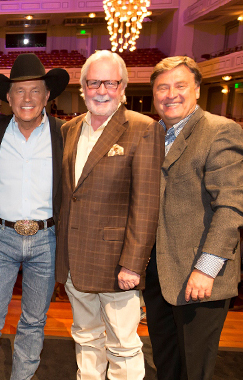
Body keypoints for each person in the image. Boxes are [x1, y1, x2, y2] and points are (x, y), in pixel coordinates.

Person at [55, 50, 163, 380]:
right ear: (83, 87)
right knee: (86, 340)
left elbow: (145, 204)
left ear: (123, 87)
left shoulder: (143, 128)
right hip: (77, 260)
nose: (101, 90)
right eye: (94, 82)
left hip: (117, 265)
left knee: (123, 346)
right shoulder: (70, 129)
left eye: (110, 82)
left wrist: (132, 263)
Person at [144, 56, 243, 380]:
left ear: (197, 90)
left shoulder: (219, 131)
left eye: (180, 86)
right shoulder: (152, 134)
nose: (170, 94)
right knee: (166, 363)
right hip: (160, 276)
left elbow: (231, 207)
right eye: (162, 88)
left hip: (199, 279)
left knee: (194, 369)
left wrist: (206, 268)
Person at [0, 53, 69, 379]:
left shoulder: (65, 133)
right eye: (19, 91)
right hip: (1, 237)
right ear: (8, 98)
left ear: (47, 96)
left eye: (35, 90)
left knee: (34, 321)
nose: (27, 98)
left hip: (47, 240)